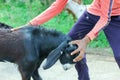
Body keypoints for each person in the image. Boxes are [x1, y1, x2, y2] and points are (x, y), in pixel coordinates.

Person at [12, 0, 120, 80]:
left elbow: (105, 18)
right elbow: (57, 6)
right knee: (72, 46)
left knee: (119, 55)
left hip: (115, 17)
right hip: (92, 14)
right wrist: (30, 25)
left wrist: (86, 40)